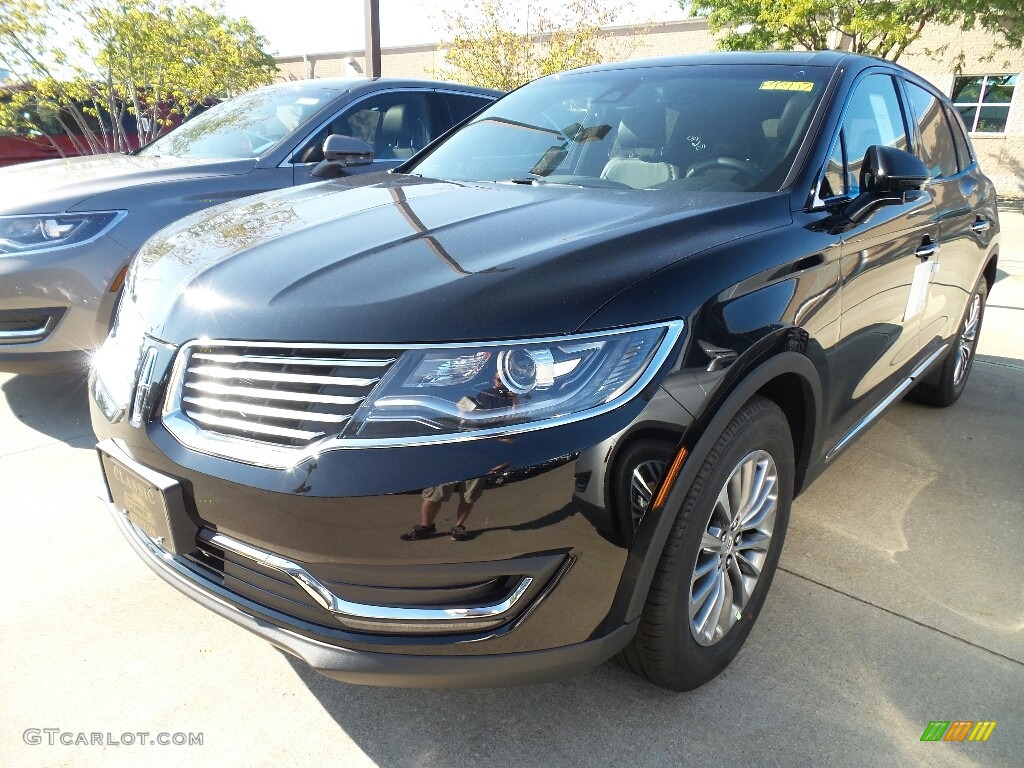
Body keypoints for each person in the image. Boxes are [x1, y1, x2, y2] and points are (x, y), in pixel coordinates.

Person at [401, 479, 483, 542]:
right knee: (434, 493)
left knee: (469, 495)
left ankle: (458, 527)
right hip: (447, 460)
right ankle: (426, 528)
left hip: (474, 461)